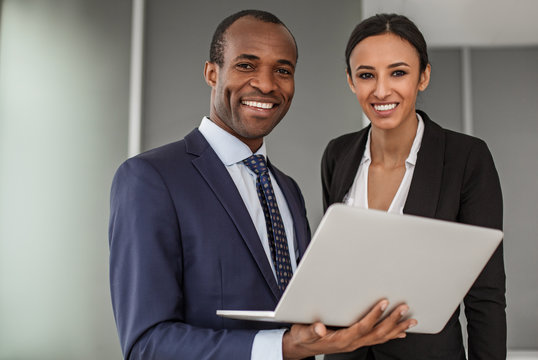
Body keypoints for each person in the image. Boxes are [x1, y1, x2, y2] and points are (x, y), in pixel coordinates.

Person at [109, 10, 417, 360]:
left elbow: (299, 315)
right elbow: (146, 345)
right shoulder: (151, 179)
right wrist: (282, 348)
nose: (267, 84)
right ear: (212, 72)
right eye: (246, 65)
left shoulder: (287, 190)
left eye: (282, 71)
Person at [321, 13, 506, 360]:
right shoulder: (338, 154)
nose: (381, 90)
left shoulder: (467, 158)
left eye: (398, 72)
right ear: (350, 80)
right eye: (366, 75)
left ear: (424, 76)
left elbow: (486, 294)